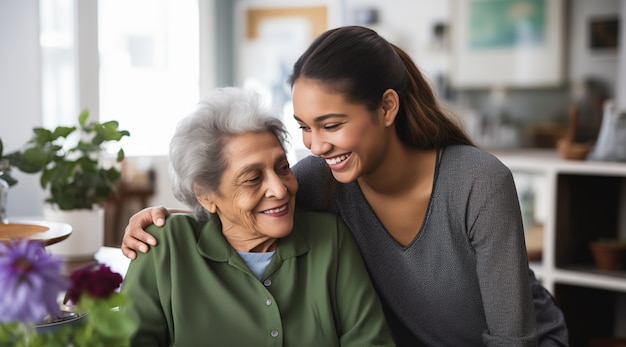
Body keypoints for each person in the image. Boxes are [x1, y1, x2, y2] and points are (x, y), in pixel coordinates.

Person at [121, 26, 569, 346]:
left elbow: (514, 338)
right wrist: (172, 223)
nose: (315, 145)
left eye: (331, 124)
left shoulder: (478, 182)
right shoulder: (321, 179)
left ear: (387, 106)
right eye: (304, 128)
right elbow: (247, 206)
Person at [120, 87, 395, 346]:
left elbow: (369, 340)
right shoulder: (161, 247)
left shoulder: (330, 237)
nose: (280, 189)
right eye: (252, 179)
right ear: (205, 195)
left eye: (283, 167)